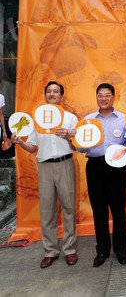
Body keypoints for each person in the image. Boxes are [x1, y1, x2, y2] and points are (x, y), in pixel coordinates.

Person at [11, 81, 78, 268]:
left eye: (56, 91)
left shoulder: (70, 118)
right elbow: (33, 147)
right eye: (48, 91)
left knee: (69, 208)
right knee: (47, 210)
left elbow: (76, 146)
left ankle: (70, 249)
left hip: (65, 164)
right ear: (45, 95)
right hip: (45, 167)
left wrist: (68, 137)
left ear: (61, 95)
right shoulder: (36, 120)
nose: (52, 94)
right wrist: (20, 142)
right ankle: (50, 251)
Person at [77, 83, 126, 267]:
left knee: (118, 210)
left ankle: (121, 250)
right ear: (96, 97)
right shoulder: (88, 120)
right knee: (99, 211)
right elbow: (81, 147)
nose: (104, 98)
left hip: (117, 167)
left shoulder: (123, 119)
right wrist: (72, 138)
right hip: (95, 167)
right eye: (100, 95)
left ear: (114, 97)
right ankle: (102, 250)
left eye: (107, 95)